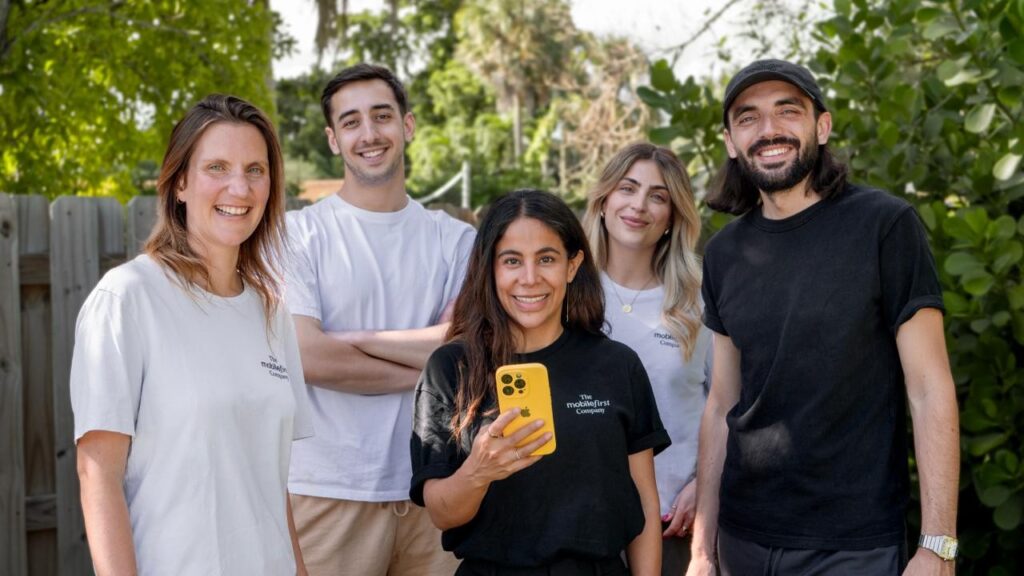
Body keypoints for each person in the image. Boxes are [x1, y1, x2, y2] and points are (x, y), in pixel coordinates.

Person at [687, 59, 960, 575]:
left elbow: (929, 388)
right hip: (742, 539)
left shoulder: (884, 226)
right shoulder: (724, 253)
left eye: (787, 111)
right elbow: (722, 402)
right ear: (731, 142)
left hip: (852, 546)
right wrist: (703, 548)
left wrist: (938, 544)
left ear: (823, 126)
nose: (769, 130)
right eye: (748, 117)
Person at [72, 94, 313, 575]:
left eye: (255, 170)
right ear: (180, 182)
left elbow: (271, 486)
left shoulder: (271, 313)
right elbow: (97, 475)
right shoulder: (127, 298)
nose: (239, 187)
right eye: (217, 167)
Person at [410, 189, 669, 575]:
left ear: (572, 265)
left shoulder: (617, 365)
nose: (530, 279)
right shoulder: (451, 368)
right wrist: (478, 471)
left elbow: (644, 500)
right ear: (490, 268)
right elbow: (441, 514)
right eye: (512, 260)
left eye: (546, 258)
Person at [283, 63, 475, 575]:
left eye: (382, 115)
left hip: (435, 490)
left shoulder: (456, 240)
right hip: (327, 490)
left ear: (407, 125)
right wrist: (434, 370)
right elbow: (308, 357)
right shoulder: (295, 234)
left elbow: (465, 349)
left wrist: (348, 339)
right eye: (351, 122)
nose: (369, 134)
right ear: (333, 139)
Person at [583, 143, 712, 575]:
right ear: (604, 200)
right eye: (628, 188)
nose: (639, 205)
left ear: (673, 216)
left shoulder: (700, 299)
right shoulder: (565, 292)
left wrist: (703, 486)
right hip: (580, 525)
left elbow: (730, 405)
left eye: (658, 196)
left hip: (673, 522)